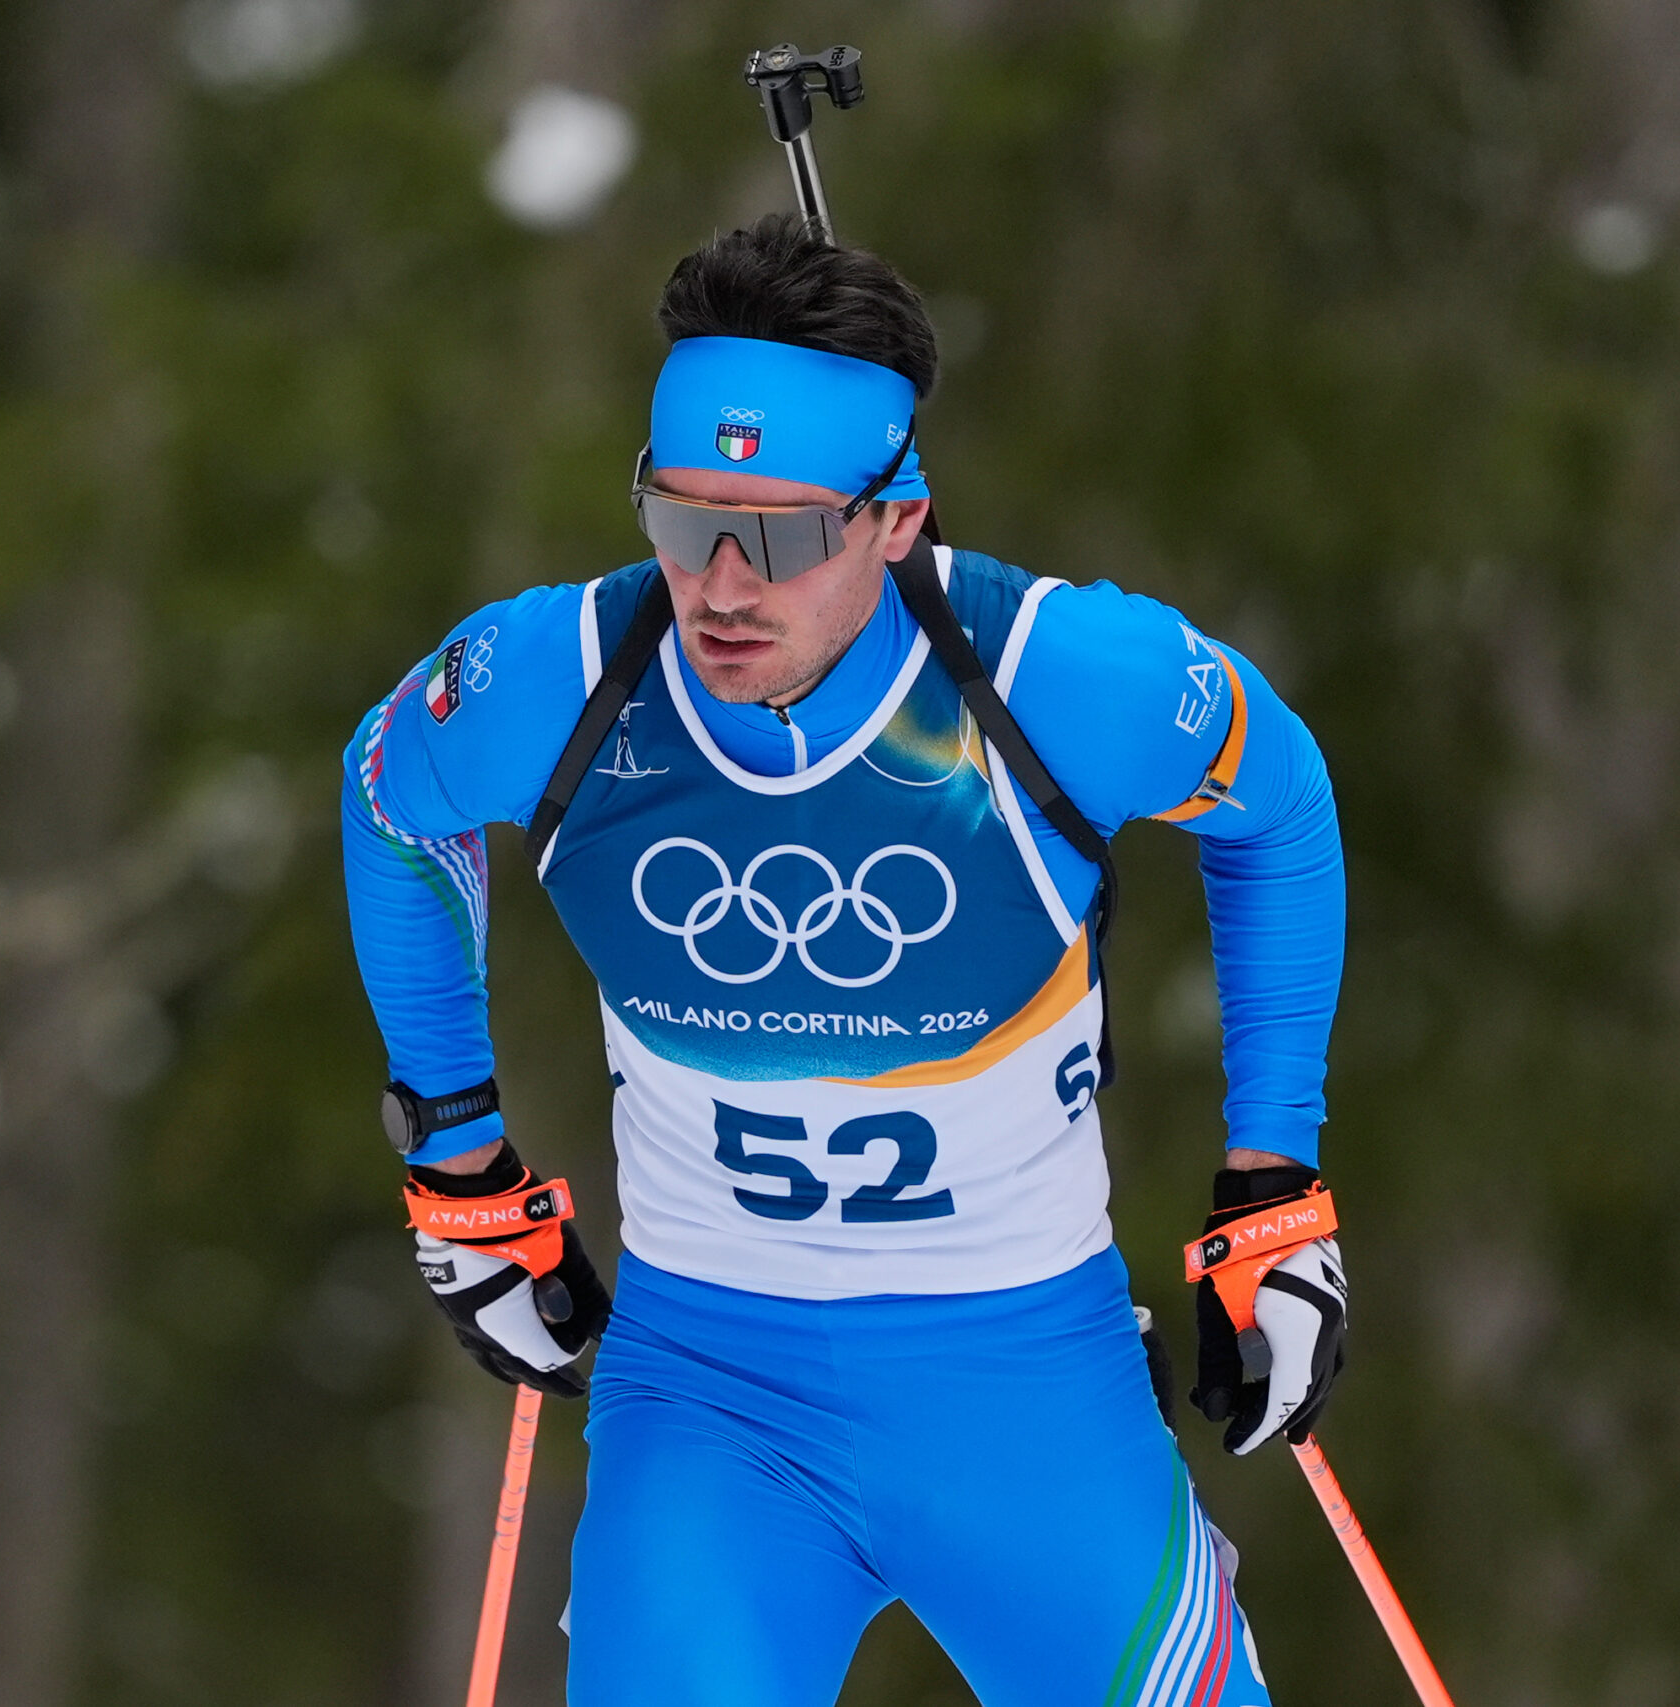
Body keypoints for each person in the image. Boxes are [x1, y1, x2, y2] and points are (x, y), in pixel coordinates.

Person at [341, 215, 1346, 1707]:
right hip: (707, 1407)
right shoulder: (559, 683)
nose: (724, 585)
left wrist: (1274, 1183)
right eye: (684, 522)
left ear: (898, 520)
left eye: (790, 533)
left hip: (1027, 1396)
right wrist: (460, 1166)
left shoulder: (1055, 679)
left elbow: (1279, 804)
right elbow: (390, 798)